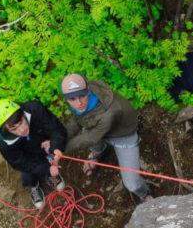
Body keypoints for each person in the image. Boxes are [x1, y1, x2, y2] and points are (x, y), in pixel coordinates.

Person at [54, 74, 152, 202]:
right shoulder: (78, 94)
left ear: (88, 90)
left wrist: (61, 148)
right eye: (72, 99)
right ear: (66, 98)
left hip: (123, 135)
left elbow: (92, 137)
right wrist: (56, 142)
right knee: (86, 129)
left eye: (82, 97)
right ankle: (99, 151)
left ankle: (144, 193)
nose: (78, 103)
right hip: (96, 127)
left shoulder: (110, 112)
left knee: (132, 184)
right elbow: (77, 120)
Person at [0, 99, 67, 209]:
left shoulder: (35, 109)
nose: (22, 130)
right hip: (28, 157)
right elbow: (20, 162)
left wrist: (56, 147)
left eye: (21, 121)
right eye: (14, 129)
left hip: (45, 145)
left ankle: (50, 175)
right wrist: (46, 169)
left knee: (50, 162)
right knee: (28, 177)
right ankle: (34, 186)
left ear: (22, 113)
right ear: (6, 130)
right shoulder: (4, 143)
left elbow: (55, 128)